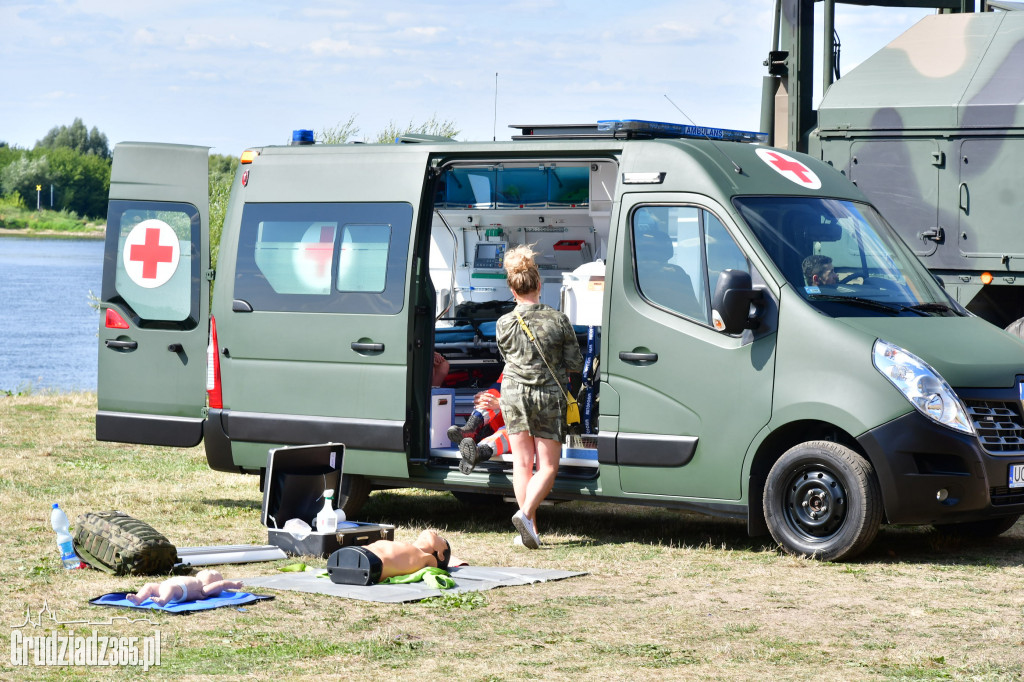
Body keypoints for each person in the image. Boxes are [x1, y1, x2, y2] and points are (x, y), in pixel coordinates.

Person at [494, 245, 583, 549]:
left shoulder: (503, 323)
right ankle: (525, 514)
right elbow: (575, 363)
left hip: (513, 394)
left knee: (522, 464)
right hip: (547, 395)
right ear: (540, 285)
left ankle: (528, 529)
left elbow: (506, 357)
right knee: (547, 467)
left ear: (512, 288)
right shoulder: (558, 320)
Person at [328, 529, 451, 585]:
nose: (437, 534)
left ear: (440, 555)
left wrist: (432, 534)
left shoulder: (427, 560)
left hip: (370, 563)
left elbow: (428, 531)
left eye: (441, 539)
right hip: (359, 554)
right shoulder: (413, 550)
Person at [126, 569, 243, 606]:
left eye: (213, 573)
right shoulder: (194, 579)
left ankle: (163, 601)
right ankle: (139, 598)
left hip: (179, 591)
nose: (209, 570)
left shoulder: (204, 589)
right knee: (149, 586)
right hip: (165, 586)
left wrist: (234, 585)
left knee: (170, 588)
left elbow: (221, 584)